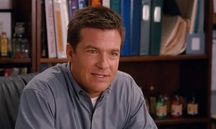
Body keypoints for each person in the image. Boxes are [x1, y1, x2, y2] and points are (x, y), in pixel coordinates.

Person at [15, 6, 158, 129]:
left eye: (113, 54)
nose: (103, 64)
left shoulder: (127, 88)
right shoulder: (40, 93)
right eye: (93, 51)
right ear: (71, 53)